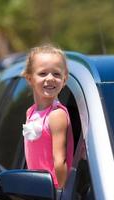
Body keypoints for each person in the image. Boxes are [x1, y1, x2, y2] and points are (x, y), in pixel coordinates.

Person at [22, 44, 74, 189]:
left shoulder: (56, 115)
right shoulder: (30, 112)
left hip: (50, 190)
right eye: (43, 73)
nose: (50, 78)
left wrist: (58, 192)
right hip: (36, 188)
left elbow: (60, 161)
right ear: (29, 78)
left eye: (56, 74)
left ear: (64, 79)